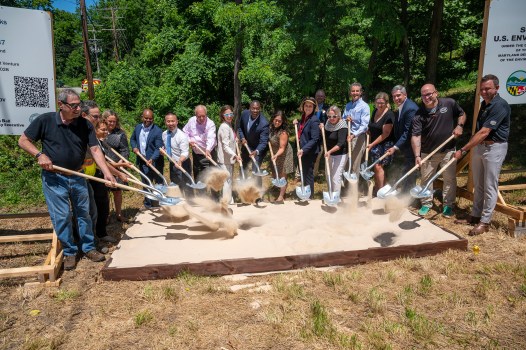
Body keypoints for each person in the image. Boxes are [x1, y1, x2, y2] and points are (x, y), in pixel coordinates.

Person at [18, 89, 115, 270]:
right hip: (54, 179)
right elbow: (23, 141)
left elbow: (94, 149)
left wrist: (107, 172)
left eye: (79, 104)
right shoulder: (45, 120)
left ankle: (88, 247)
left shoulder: (84, 125)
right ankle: (70, 252)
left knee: (84, 214)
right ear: (61, 105)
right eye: (74, 105)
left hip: (78, 176)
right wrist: (39, 154)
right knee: (62, 216)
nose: (78, 108)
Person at [453, 74, 510, 236]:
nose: (484, 92)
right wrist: (473, 146)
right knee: (478, 184)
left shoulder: (500, 105)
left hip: (494, 148)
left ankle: (484, 222)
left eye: (488, 88)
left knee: (490, 186)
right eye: (482, 89)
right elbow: (479, 132)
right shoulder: (484, 104)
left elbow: (484, 132)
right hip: (480, 147)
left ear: (496, 88)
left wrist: (463, 149)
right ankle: (475, 216)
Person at [411, 84, 466, 217]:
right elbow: (416, 136)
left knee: (449, 179)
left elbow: (462, 114)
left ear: (436, 93)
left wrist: (459, 126)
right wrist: (417, 155)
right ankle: (426, 203)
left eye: (429, 93)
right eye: (423, 95)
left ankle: (448, 205)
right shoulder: (419, 114)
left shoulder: (449, 103)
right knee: (426, 179)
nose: (427, 97)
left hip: (448, 151)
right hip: (428, 153)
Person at [386, 85, 419, 193]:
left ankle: (409, 198)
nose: (396, 98)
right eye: (394, 96)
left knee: (410, 171)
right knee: (407, 170)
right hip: (405, 146)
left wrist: (395, 147)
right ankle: (406, 192)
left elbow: (407, 132)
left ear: (405, 95)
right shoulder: (402, 107)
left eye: (398, 95)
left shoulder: (410, 108)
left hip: (411, 146)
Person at [129, 108, 164, 208]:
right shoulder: (138, 128)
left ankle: (158, 203)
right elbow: (132, 139)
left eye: (150, 118)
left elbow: (158, 148)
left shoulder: (157, 131)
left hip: (155, 162)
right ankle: (149, 204)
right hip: (142, 160)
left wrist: (152, 158)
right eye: (146, 118)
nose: (148, 120)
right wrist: (134, 147)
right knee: (146, 183)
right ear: (142, 117)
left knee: (158, 183)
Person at [102, 110, 129, 222]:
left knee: (117, 191)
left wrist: (120, 163)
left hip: (117, 165)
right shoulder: (100, 132)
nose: (112, 123)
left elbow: (125, 150)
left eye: (114, 121)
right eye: (110, 121)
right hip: (103, 165)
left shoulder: (120, 134)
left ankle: (118, 214)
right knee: (105, 193)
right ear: (105, 120)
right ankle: (106, 215)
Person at [367, 92, 395, 195]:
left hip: (385, 144)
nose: (379, 105)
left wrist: (372, 144)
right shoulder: (375, 111)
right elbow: (373, 125)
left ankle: (380, 190)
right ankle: (381, 189)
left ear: (386, 102)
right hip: (375, 143)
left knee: (378, 166)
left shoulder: (389, 115)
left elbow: (386, 133)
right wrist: (369, 131)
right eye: (378, 102)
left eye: (382, 103)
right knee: (376, 167)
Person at [183, 105, 217, 184]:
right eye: (199, 116)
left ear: (206, 114)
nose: (201, 118)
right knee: (198, 173)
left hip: (209, 152)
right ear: (195, 115)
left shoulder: (210, 124)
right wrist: (189, 140)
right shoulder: (191, 121)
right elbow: (185, 132)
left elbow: (211, 138)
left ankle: (214, 195)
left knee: (211, 175)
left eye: (203, 116)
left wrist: (208, 149)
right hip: (196, 153)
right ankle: (200, 193)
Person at [293, 97, 320, 196]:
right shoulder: (303, 118)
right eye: (306, 105)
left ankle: (310, 195)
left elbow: (314, 139)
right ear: (303, 106)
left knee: (308, 174)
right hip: (302, 150)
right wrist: (297, 123)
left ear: (314, 108)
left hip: (309, 151)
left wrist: (303, 150)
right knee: (303, 172)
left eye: (310, 106)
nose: (308, 107)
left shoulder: (314, 120)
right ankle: (305, 193)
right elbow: (301, 132)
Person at [237, 100, 269, 185]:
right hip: (246, 146)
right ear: (249, 108)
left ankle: (258, 195)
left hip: (257, 149)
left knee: (256, 171)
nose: (255, 111)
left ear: (260, 109)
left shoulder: (264, 123)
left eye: (257, 109)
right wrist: (242, 137)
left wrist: (257, 151)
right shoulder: (244, 114)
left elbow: (263, 142)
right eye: (253, 108)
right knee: (243, 167)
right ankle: (243, 188)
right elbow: (240, 128)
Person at [342, 82, 370, 178]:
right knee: (346, 162)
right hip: (348, 136)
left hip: (358, 137)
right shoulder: (348, 106)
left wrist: (354, 135)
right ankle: (345, 188)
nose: (355, 93)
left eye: (357, 91)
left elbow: (364, 125)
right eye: (353, 91)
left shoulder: (364, 106)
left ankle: (353, 189)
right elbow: (342, 119)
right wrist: (346, 119)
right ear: (350, 92)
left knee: (355, 163)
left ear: (360, 92)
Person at [319, 106, 348, 194]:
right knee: (328, 175)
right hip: (329, 154)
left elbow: (340, 143)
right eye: (329, 116)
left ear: (338, 116)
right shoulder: (327, 123)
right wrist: (322, 129)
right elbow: (324, 137)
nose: (331, 118)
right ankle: (330, 193)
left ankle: (336, 197)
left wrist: (330, 151)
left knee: (336, 177)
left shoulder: (342, 126)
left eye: (334, 116)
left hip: (340, 154)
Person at [163, 112, 192, 197]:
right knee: (175, 185)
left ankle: (190, 204)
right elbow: (166, 147)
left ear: (177, 122)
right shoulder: (164, 134)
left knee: (186, 186)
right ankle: (178, 205)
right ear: (165, 122)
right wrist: (163, 151)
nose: (170, 123)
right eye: (168, 121)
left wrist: (180, 160)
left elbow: (185, 152)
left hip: (183, 163)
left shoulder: (182, 136)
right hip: (172, 163)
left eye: (173, 121)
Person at [216, 105, 240, 203]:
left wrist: (235, 140)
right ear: (222, 115)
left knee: (228, 181)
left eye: (231, 114)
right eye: (227, 114)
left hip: (228, 160)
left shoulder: (228, 125)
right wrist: (235, 155)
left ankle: (229, 200)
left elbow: (229, 140)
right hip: (224, 160)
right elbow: (225, 146)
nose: (229, 116)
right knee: (226, 181)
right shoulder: (224, 127)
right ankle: (226, 202)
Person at [269, 110, 294, 202]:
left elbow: (282, 148)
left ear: (282, 122)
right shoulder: (271, 128)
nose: (277, 122)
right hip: (275, 152)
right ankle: (276, 186)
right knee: (275, 172)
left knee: (282, 175)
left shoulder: (283, 133)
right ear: (273, 119)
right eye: (276, 120)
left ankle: (281, 196)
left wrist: (275, 155)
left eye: (279, 121)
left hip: (284, 153)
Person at [313, 89, 328, 178]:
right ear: (315, 97)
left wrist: (325, 125)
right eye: (318, 96)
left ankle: (316, 174)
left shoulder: (327, 108)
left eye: (321, 96)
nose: (319, 97)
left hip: (323, 135)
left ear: (324, 97)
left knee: (321, 154)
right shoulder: (312, 106)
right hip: (312, 134)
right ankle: (310, 174)